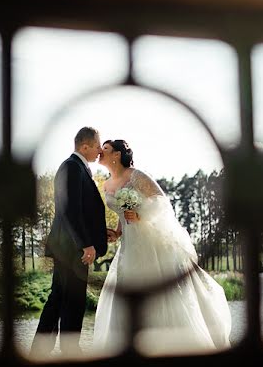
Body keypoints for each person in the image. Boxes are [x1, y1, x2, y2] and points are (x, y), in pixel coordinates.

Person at [93, 139, 231, 354]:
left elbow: (161, 202)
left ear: (117, 154)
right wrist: (118, 231)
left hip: (148, 240)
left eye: (106, 148)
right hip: (128, 244)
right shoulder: (106, 184)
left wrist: (140, 215)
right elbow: (122, 211)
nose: (101, 151)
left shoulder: (136, 175)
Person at [31, 127, 109, 358]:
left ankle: (50, 350)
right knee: (69, 298)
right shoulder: (71, 168)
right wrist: (86, 244)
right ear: (84, 146)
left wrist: (100, 234)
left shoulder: (78, 168)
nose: (99, 151)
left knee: (64, 297)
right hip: (70, 248)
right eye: (97, 146)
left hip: (71, 246)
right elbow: (70, 210)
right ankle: (66, 350)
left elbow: (82, 212)